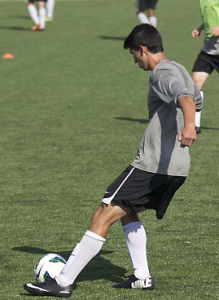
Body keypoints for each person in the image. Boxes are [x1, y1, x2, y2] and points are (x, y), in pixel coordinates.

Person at [23, 24, 202, 298]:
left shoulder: (162, 72)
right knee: (126, 210)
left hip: (151, 165)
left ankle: (62, 283)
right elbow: (196, 97)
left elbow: (185, 97)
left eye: (134, 55)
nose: (135, 61)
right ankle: (142, 277)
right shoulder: (178, 67)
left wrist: (188, 124)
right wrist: (189, 122)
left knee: (102, 213)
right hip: (177, 167)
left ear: (143, 49)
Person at [191, 0, 219, 133]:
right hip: (208, 52)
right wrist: (200, 28)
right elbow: (210, 17)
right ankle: (195, 124)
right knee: (195, 83)